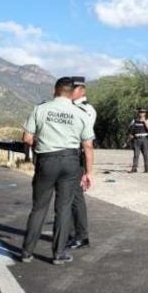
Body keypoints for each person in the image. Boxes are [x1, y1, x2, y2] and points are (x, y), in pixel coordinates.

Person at [21, 77, 95, 265]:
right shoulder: (80, 113)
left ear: (55, 90)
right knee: (63, 208)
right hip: (70, 162)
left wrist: (43, 143)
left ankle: (27, 252)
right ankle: (58, 253)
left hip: (47, 160)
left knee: (39, 207)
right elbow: (88, 146)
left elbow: (27, 138)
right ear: (72, 93)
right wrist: (88, 173)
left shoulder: (41, 109)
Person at [68, 76, 96, 250]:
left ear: (82, 90)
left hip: (77, 153)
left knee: (76, 197)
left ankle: (81, 235)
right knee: (67, 196)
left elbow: (85, 139)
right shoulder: (68, 107)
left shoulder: (86, 109)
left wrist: (88, 170)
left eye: (75, 88)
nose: (71, 92)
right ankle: (70, 232)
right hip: (67, 154)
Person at [128, 108, 148, 173]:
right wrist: (130, 135)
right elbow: (130, 129)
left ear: (145, 113)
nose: (141, 113)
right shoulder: (134, 121)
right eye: (140, 112)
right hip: (136, 139)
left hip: (144, 139)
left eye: (143, 112)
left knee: (145, 154)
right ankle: (134, 168)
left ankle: (146, 169)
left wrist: (144, 122)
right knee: (136, 154)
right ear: (138, 113)